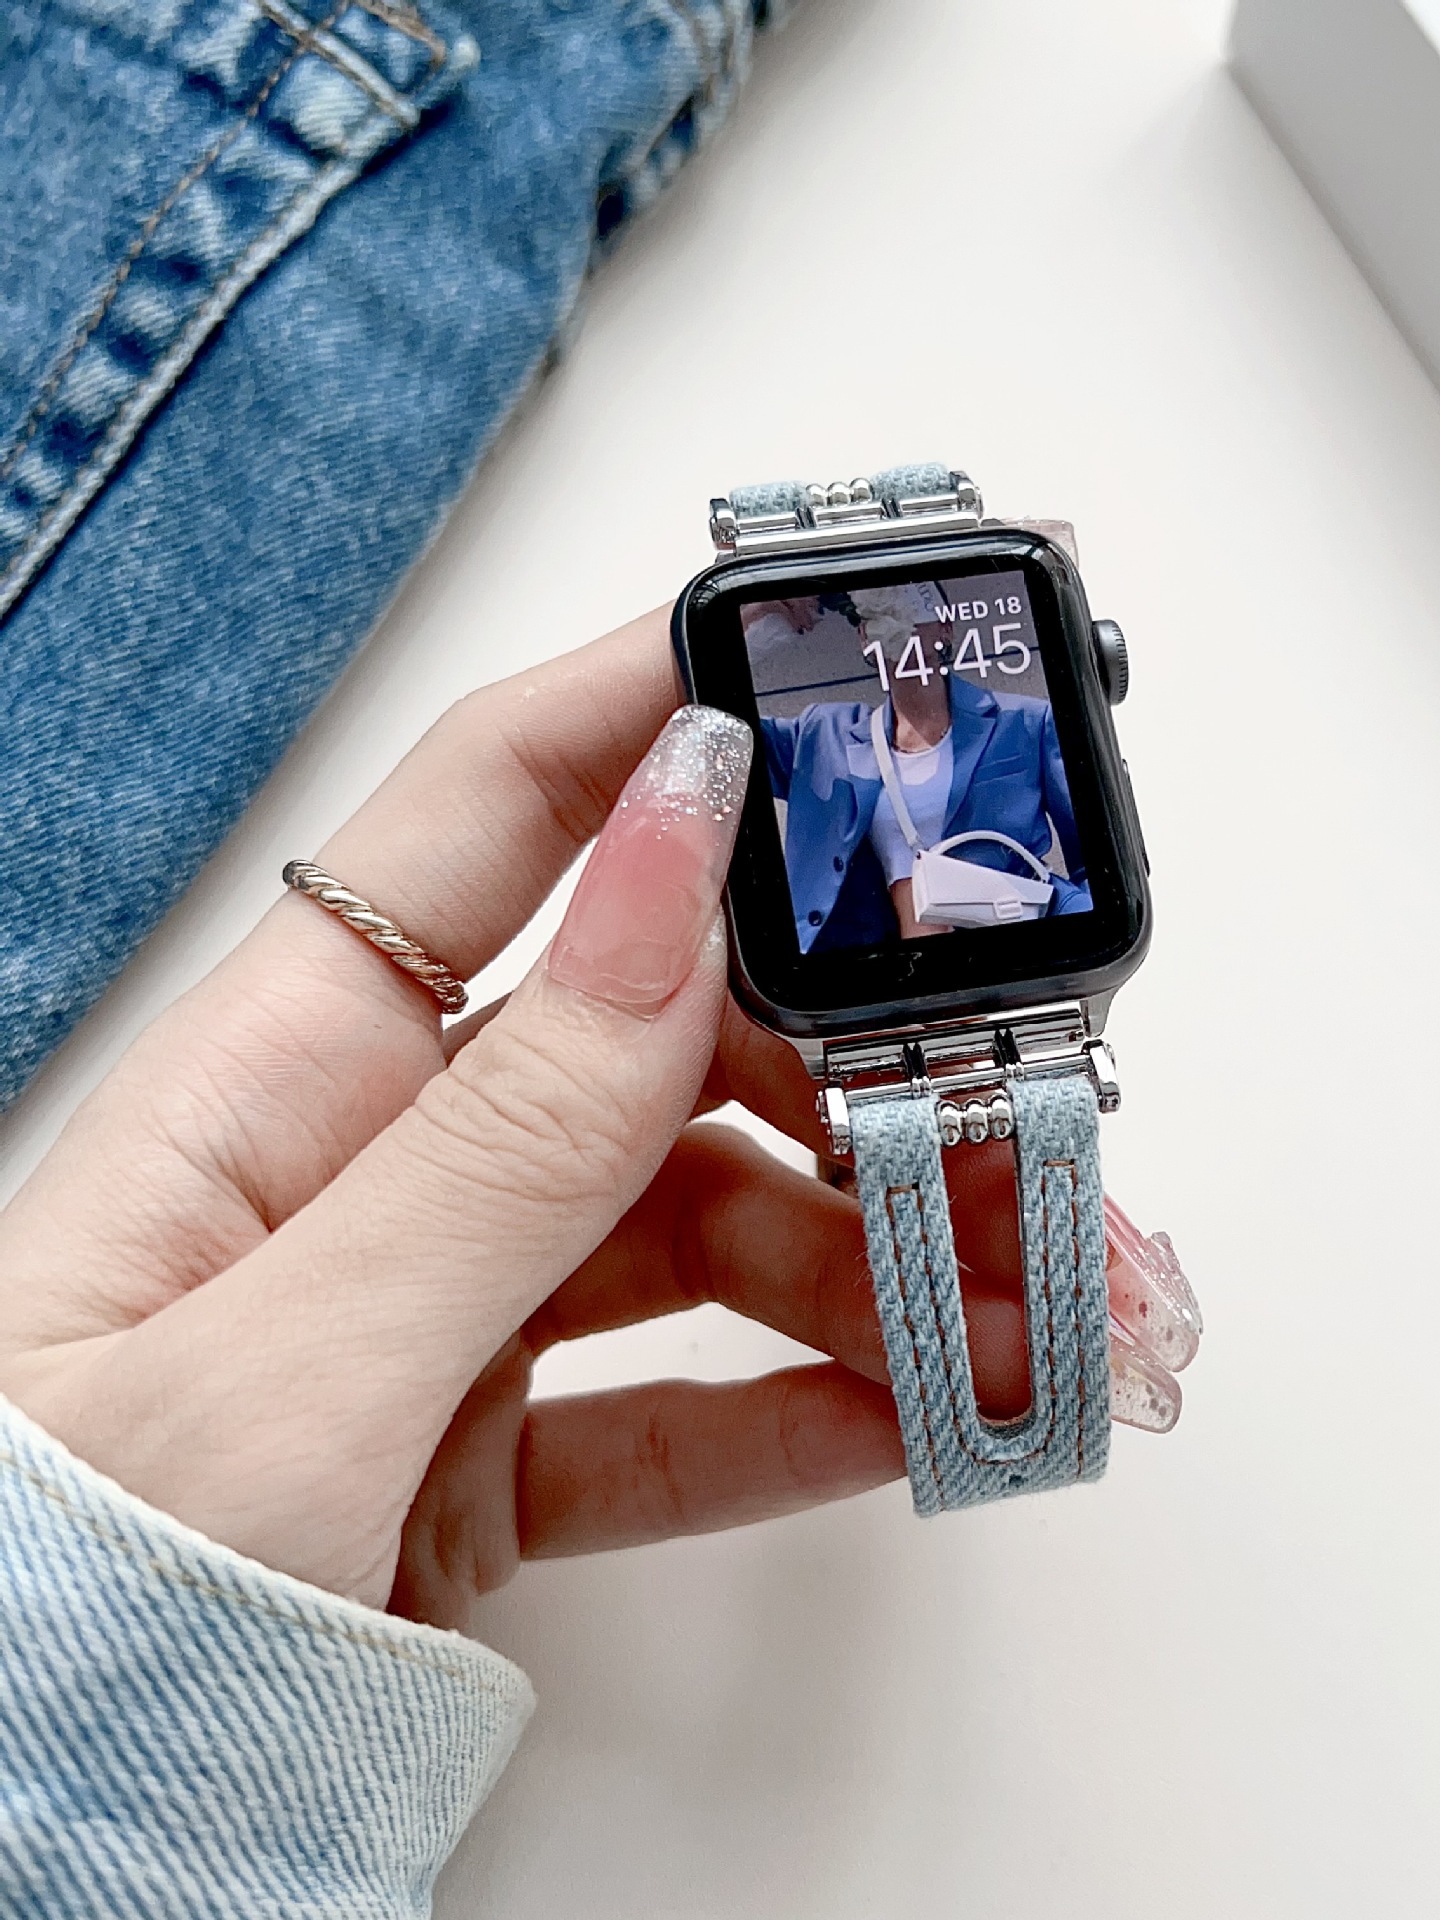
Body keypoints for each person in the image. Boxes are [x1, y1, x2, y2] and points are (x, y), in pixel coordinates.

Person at [0, 607, 1201, 1911]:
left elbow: (1037, 869)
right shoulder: (841, 745)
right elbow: (823, 880)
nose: (908, 666)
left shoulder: (1016, 732)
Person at [760, 586, 1091, 951]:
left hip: (1009, 955)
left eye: (916, 606)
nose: (899, 620)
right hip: (874, 968)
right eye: (878, 613)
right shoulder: (823, 735)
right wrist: (761, 608)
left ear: (945, 628)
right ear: (864, 638)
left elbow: (1093, 857)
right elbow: (726, 728)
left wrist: (1086, 942)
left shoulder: (1027, 720)